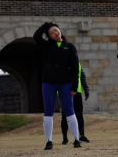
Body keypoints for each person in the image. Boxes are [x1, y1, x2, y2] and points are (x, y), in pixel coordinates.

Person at [33, 22, 82, 150]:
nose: (55, 32)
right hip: (48, 82)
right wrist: (45, 26)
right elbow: (36, 36)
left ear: (59, 30)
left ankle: (76, 139)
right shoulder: (47, 46)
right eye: (51, 32)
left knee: (69, 110)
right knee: (48, 111)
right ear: (49, 37)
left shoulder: (70, 47)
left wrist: (75, 85)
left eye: (56, 30)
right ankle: (49, 141)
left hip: (65, 82)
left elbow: (75, 67)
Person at [60, 62, 90, 144]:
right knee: (65, 115)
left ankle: (82, 135)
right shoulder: (62, 63)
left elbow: (82, 76)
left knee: (79, 115)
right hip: (65, 92)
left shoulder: (79, 64)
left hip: (77, 92)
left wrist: (86, 88)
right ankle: (65, 137)